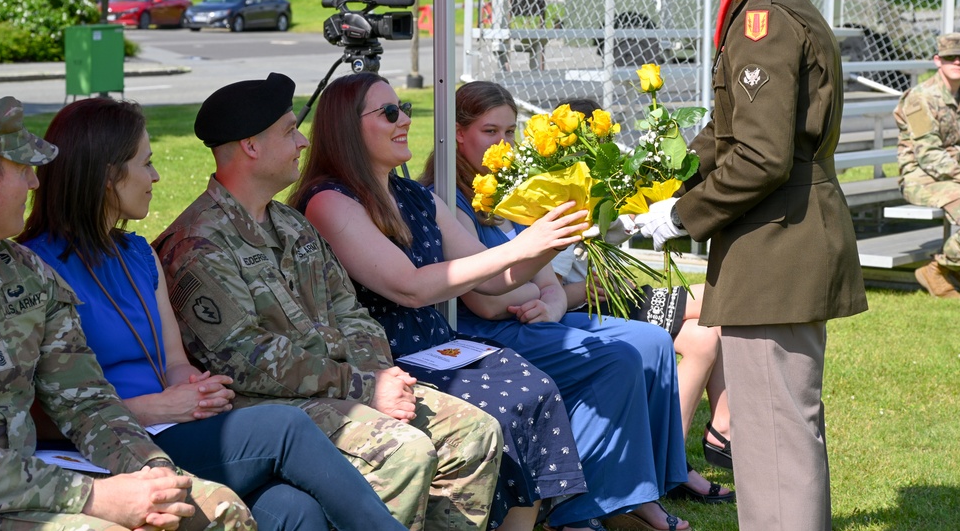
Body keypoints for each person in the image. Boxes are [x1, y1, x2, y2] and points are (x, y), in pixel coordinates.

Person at [293, 73, 671, 531]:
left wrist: (557, 234)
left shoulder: (414, 195)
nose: (405, 120)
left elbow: (496, 279)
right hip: (384, 360)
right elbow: (409, 286)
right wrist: (522, 246)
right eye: (389, 112)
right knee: (513, 398)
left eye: (405, 109)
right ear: (347, 127)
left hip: (438, 346)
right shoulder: (329, 202)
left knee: (535, 388)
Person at [19, 97, 407, 531]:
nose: (156, 175)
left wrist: (195, 389)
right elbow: (31, 410)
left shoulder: (138, 255)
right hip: (111, 444)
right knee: (284, 426)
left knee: (297, 511)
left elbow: (174, 361)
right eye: (145, 164)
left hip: (173, 427)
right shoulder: (34, 270)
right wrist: (156, 407)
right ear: (108, 176)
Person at [153, 72, 504, 531]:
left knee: (475, 432)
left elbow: (350, 313)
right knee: (403, 451)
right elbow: (248, 360)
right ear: (251, 147)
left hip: (343, 387)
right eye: (288, 131)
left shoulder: (291, 225)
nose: (302, 142)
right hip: (265, 410)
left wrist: (376, 378)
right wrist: (362, 388)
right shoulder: (198, 244)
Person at [634, 0, 869, 530]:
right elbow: (729, 131)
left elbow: (762, 156)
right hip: (775, 237)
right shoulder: (757, 2)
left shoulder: (763, 15)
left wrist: (682, 216)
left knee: (773, 439)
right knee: (773, 437)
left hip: (778, 241)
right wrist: (660, 180)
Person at [439, 83, 731, 513]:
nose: (502, 143)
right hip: (490, 331)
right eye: (490, 132)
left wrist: (551, 303)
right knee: (623, 354)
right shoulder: (453, 199)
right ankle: (590, 503)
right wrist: (544, 296)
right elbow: (484, 299)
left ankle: (648, 483)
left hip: (538, 315)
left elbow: (547, 280)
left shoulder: (514, 190)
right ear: (459, 134)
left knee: (652, 343)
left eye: (510, 132)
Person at [0, 94, 254, 531]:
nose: (35, 184)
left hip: (28, 481)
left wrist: (152, 472)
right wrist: (95, 497)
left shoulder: (23, 273)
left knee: (216, 511)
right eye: (24, 169)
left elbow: (88, 401)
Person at [550, 97, 732, 476]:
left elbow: (622, 222)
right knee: (725, 298)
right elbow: (552, 283)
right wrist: (587, 286)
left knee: (705, 335)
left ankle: (675, 458)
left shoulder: (600, 186)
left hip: (614, 296)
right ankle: (717, 435)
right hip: (591, 308)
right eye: (597, 142)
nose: (606, 150)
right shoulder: (564, 197)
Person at [893, 32, 960, 298]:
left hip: (953, 176)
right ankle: (939, 268)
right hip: (920, 178)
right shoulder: (920, 98)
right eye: (951, 57)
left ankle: (959, 269)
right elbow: (927, 154)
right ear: (938, 60)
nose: (957, 62)